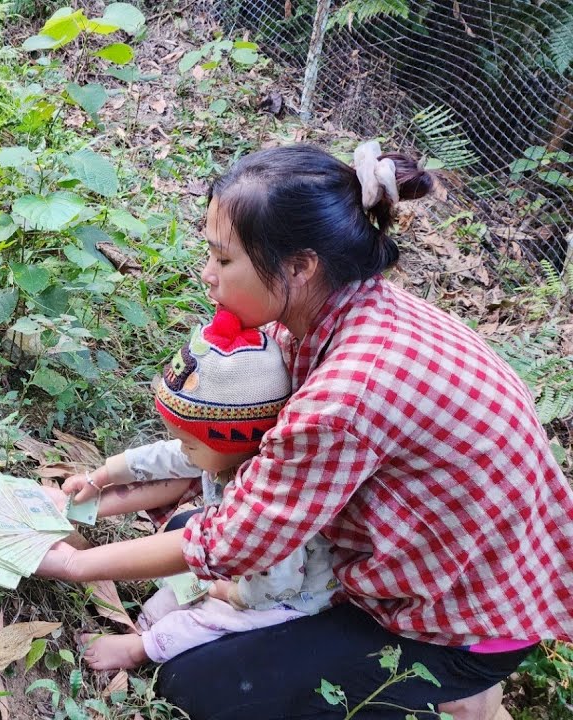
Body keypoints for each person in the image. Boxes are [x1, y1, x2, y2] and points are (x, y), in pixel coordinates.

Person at [34, 142, 573, 720]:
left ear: (299, 266)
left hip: (452, 616)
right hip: (424, 560)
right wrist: (92, 499)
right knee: (190, 533)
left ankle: (451, 694)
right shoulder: (332, 314)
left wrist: (75, 566)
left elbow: (234, 540)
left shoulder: (346, 395)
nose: (207, 275)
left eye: (224, 259)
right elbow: (217, 456)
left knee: (194, 688)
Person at [65, 308, 339, 668]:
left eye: (189, 443)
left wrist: (232, 593)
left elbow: (280, 580)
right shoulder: (220, 453)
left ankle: (140, 650)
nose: (182, 449)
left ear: (232, 440)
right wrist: (101, 476)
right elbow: (166, 457)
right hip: (234, 563)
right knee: (176, 591)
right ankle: (146, 625)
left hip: (284, 595)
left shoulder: (275, 498)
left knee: (208, 620)